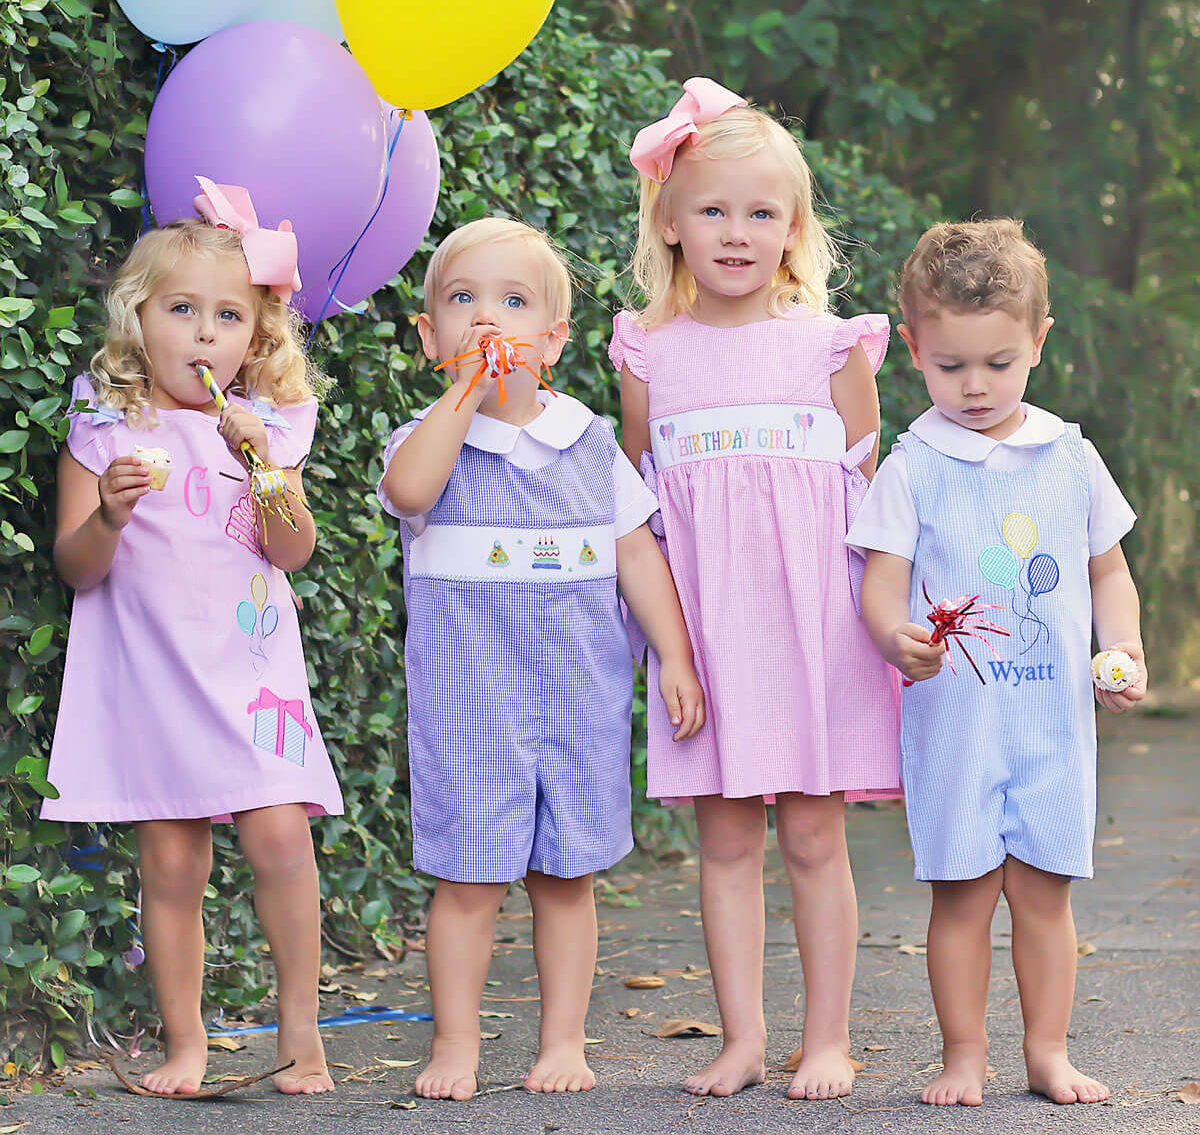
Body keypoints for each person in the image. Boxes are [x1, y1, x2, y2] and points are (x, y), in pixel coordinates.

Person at [612, 79, 901, 1101]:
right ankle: (740, 1038)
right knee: (726, 840)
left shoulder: (831, 347)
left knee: (814, 836)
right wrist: (672, 650)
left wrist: (886, 625)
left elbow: (869, 500)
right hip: (709, 636)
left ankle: (827, 1039)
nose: (737, 233)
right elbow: (643, 511)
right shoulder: (648, 353)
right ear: (670, 222)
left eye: (761, 212)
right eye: (713, 210)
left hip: (815, 631)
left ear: (794, 229)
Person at [379, 216, 705, 1101]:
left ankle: (563, 1039)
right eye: (463, 301)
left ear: (554, 341)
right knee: (469, 881)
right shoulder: (425, 441)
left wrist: (673, 655)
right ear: (430, 337)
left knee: (566, 878)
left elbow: (636, 553)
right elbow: (409, 491)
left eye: (513, 303)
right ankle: (455, 1043)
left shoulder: (588, 441)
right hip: (469, 703)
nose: (487, 319)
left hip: (576, 699)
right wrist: (464, 392)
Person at [44, 179, 342, 1095]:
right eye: (182, 310)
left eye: (228, 315)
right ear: (139, 320)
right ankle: (185, 1042)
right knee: (171, 863)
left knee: (282, 840)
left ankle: (302, 1034)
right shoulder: (106, 426)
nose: (205, 333)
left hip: (250, 675)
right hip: (152, 674)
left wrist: (265, 468)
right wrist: (107, 514)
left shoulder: (269, 426)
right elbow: (76, 568)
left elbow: (292, 551)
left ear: (256, 337)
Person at [850, 217, 1146, 1106]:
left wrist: (1122, 644)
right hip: (955, 724)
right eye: (950, 366)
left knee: (1046, 894)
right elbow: (881, 582)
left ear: (1039, 342)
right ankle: (964, 1056)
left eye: (998, 363)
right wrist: (894, 637)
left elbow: (1107, 569)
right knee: (963, 895)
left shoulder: (1070, 456)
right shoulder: (912, 465)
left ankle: (1048, 1052)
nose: (975, 385)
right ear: (913, 349)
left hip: (1052, 722)